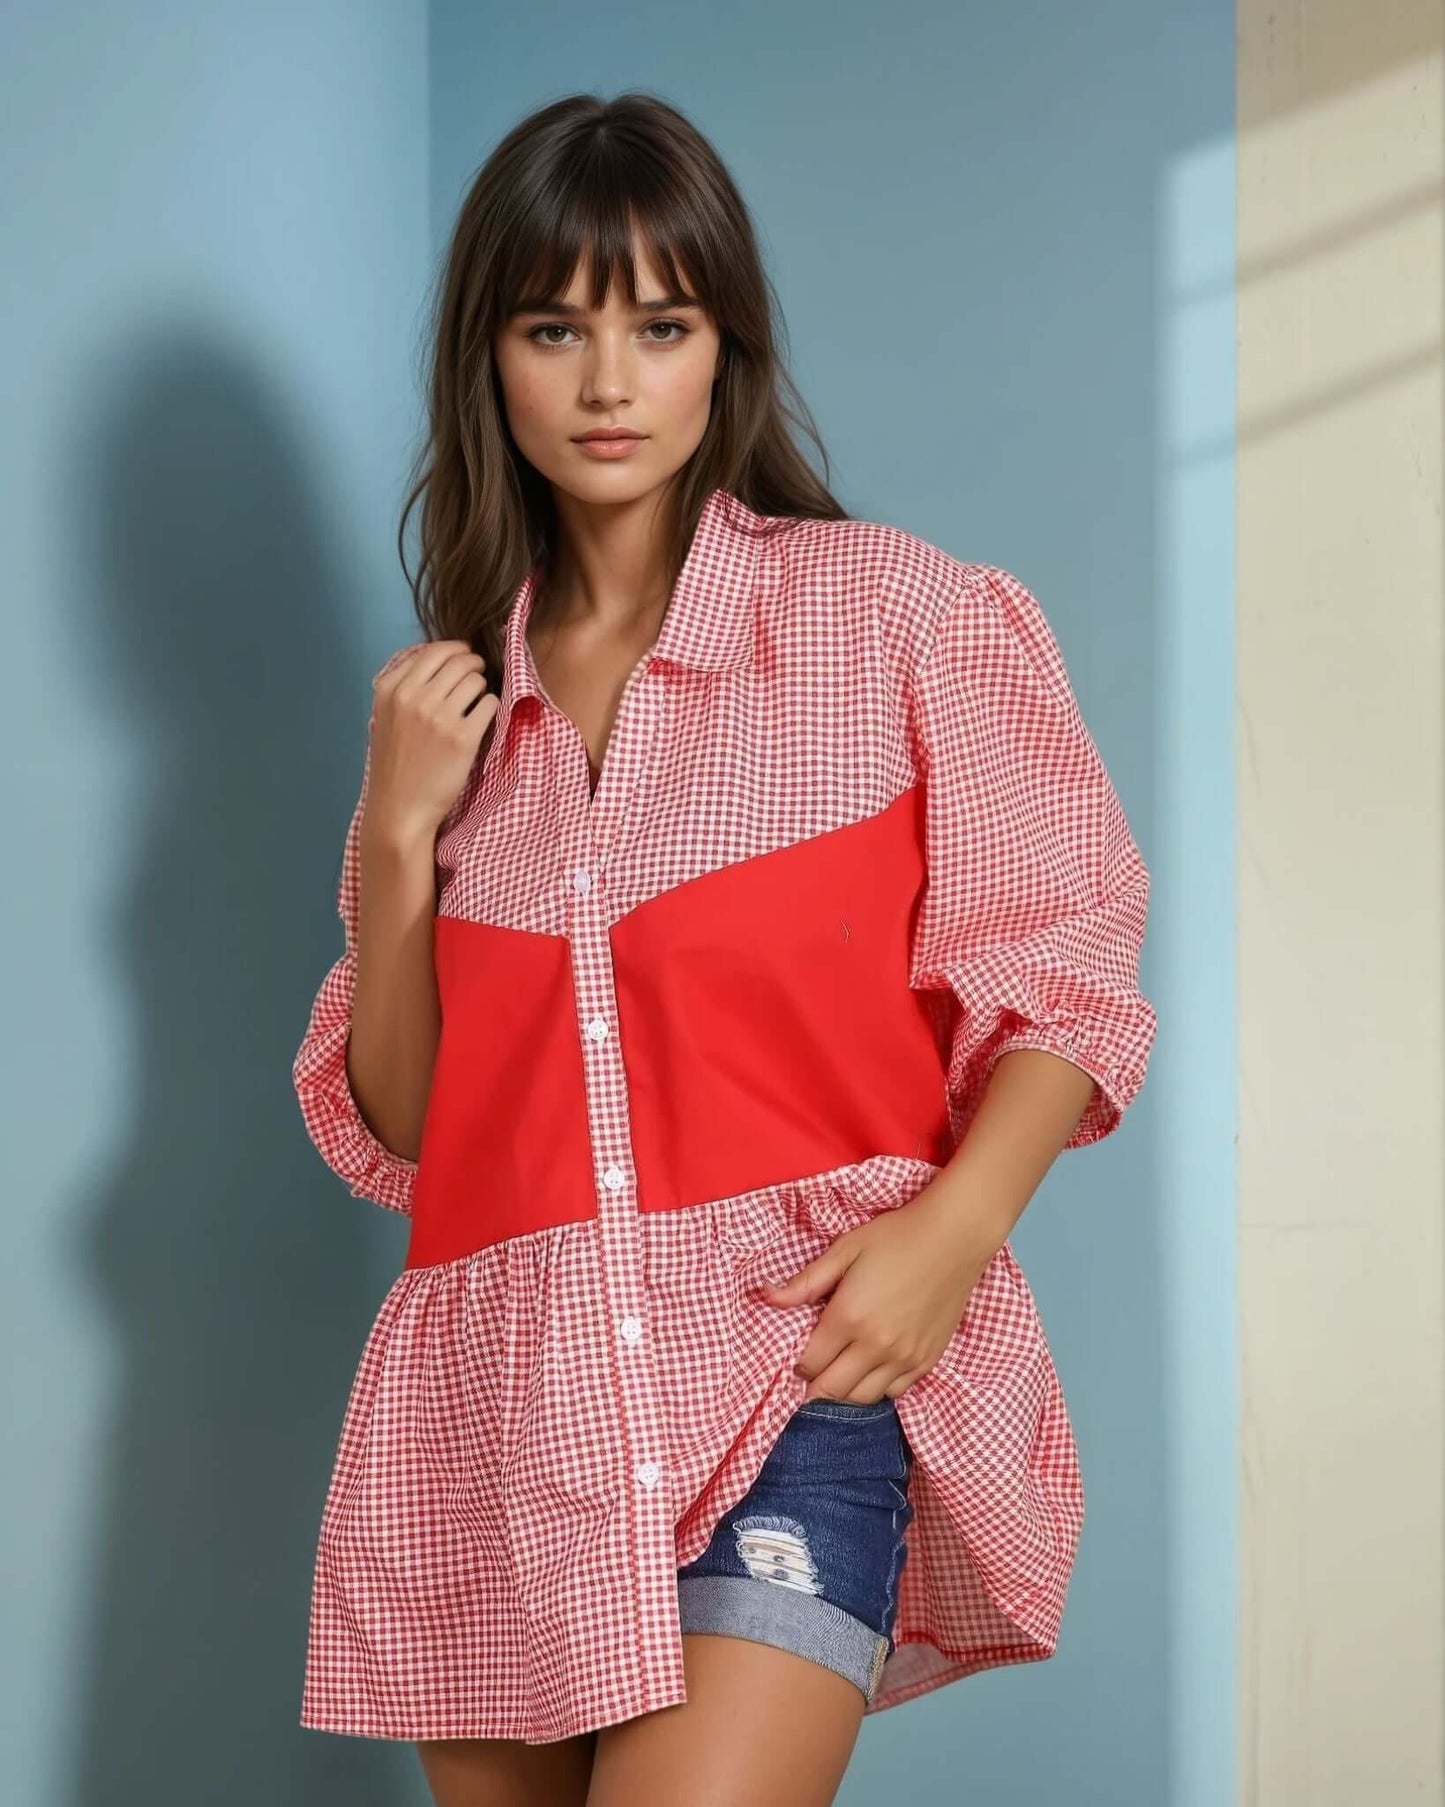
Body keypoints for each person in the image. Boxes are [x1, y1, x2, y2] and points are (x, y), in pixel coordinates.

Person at [291, 90, 1158, 1807]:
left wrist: (950, 1232)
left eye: (659, 325)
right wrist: (399, 839)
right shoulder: (454, 713)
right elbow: (411, 1130)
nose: (609, 383)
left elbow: (1062, 954)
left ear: (722, 351)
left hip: (785, 1379)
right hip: (500, 1426)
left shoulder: (892, 616)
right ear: (493, 360)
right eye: (556, 329)